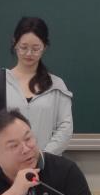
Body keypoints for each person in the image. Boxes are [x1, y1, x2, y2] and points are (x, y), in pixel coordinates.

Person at [6, 16, 73, 155]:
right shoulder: (1, 81)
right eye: (23, 47)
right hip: (9, 162)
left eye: (35, 48)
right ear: (15, 43)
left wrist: (43, 157)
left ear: (44, 47)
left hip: (46, 162)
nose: (29, 53)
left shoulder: (56, 85)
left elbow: (65, 127)